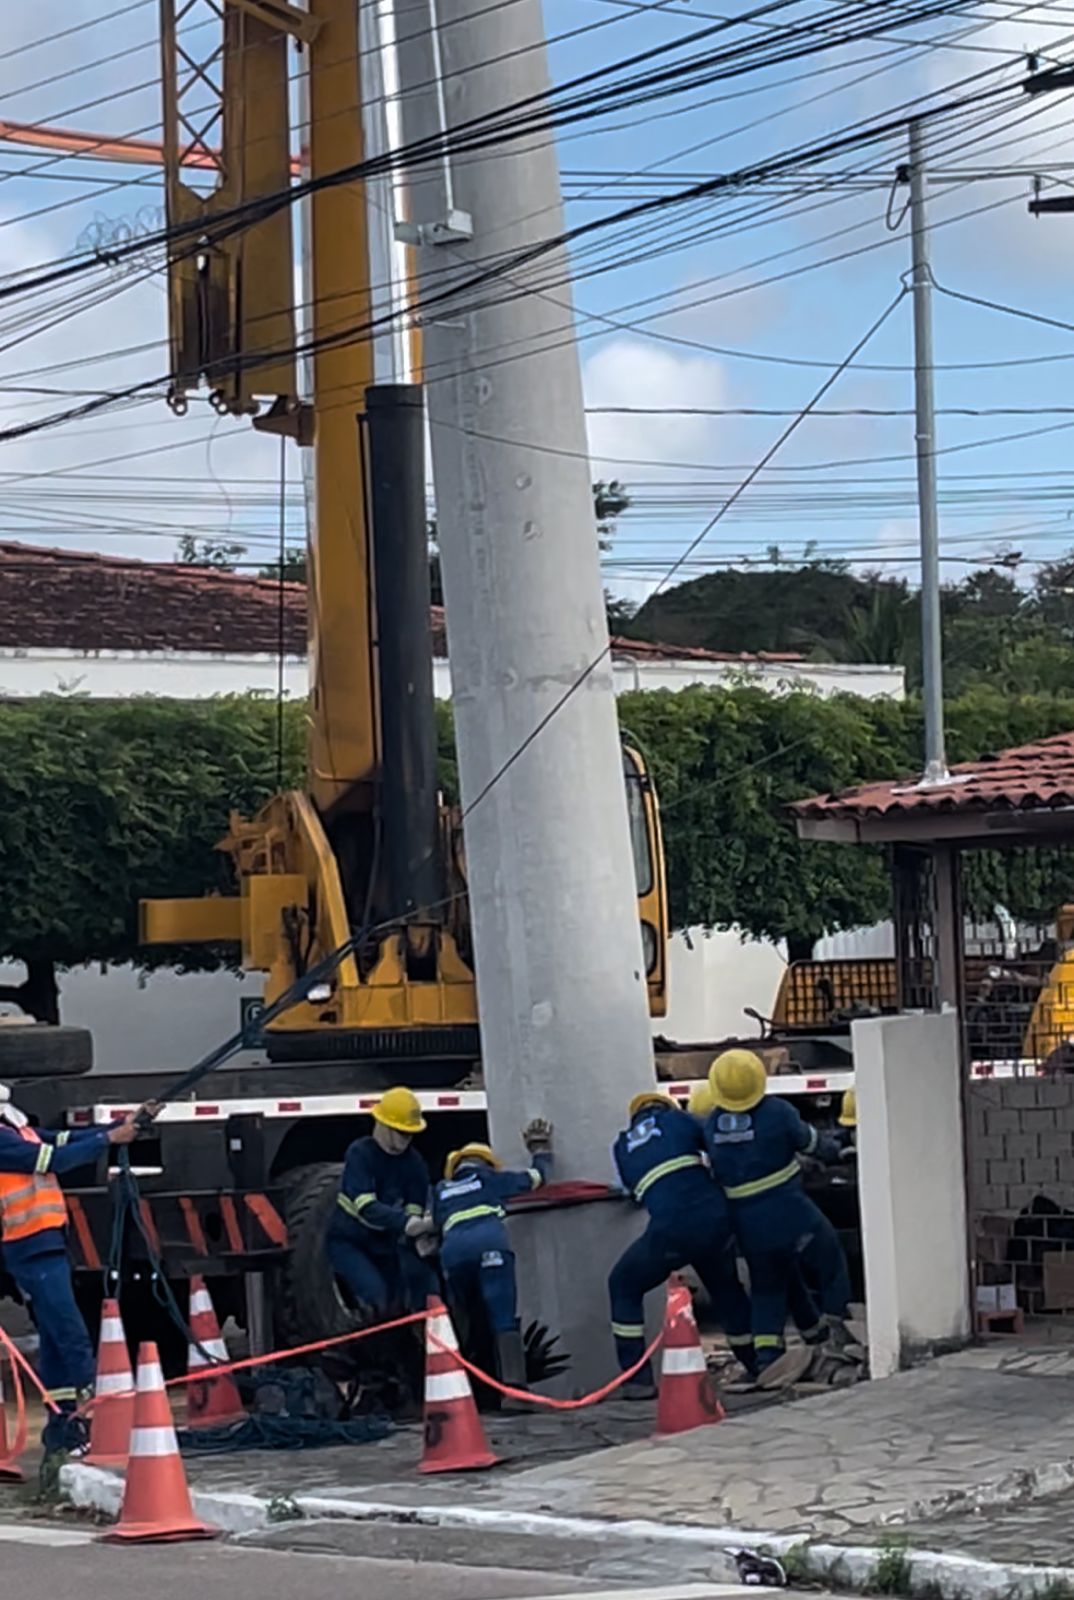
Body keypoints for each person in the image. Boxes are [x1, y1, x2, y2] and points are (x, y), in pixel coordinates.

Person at [0, 1082, 148, 1455]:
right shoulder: (5, 1140)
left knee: (55, 1341)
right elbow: (52, 1159)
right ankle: (87, 1421)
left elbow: (62, 1139)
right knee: (72, 1338)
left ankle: (62, 1428)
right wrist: (111, 1138)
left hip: (45, 1245)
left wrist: (122, 1125)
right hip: (29, 1248)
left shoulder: (18, 1130)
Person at [703, 1049, 850, 1385]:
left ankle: (768, 1358)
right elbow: (814, 1145)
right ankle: (838, 1334)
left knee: (767, 1286)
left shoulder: (712, 1125)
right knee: (829, 1261)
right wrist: (837, 1149)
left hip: (748, 1225)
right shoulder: (778, 1113)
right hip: (790, 1211)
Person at [608, 1091, 754, 1399]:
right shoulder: (678, 1120)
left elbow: (635, 1190)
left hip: (670, 1231)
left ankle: (637, 1381)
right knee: (726, 1288)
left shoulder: (621, 1146)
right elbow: (717, 1144)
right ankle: (755, 1363)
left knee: (622, 1284)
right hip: (714, 1218)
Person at [431, 1119, 553, 1408]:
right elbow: (537, 1178)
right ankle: (514, 1392)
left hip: (453, 1255)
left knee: (463, 1320)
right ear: (487, 1163)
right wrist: (541, 1150)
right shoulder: (490, 1179)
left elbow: (434, 1224)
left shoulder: (440, 1189)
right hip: (490, 1248)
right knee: (501, 1317)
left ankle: (459, 1391)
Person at [326, 1086, 436, 1318]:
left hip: (385, 1245)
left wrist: (419, 1235)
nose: (406, 1139)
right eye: (400, 1132)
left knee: (396, 1305)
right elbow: (365, 1207)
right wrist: (407, 1223)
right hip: (350, 1241)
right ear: (383, 1126)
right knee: (374, 1297)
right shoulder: (361, 1154)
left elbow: (414, 1205)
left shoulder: (414, 1164)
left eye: (409, 1134)